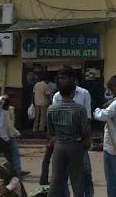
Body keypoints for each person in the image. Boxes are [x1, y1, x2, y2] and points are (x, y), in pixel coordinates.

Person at [49, 68, 94, 197]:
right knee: (77, 179)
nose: (61, 80)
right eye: (60, 78)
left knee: (56, 179)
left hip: (60, 144)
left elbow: (51, 130)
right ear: (73, 92)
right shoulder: (79, 109)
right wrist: (86, 141)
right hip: (76, 143)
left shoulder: (51, 109)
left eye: (63, 78)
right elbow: (86, 126)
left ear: (72, 79)